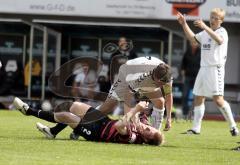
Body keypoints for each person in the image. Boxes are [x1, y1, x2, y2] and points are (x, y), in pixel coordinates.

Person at [177, 8, 239, 135]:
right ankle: (195, 128)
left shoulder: (223, 31)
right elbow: (193, 39)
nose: (213, 20)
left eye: (216, 18)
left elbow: (219, 40)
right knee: (198, 97)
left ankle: (233, 127)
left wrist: (205, 26)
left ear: (221, 21)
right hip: (203, 69)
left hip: (215, 69)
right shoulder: (205, 33)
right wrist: (184, 24)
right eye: (211, 17)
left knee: (218, 100)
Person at [13, 97, 164, 145]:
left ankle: (29, 111)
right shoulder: (144, 124)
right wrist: (139, 109)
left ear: (145, 139)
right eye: (152, 128)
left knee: (66, 116)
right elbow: (139, 105)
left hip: (96, 132)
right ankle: (53, 131)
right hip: (103, 120)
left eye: (149, 132)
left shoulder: (134, 138)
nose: (148, 128)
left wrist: (135, 111)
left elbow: (119, 126)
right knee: (73, 106)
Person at [100, 56, 173, 131]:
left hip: (147, 77)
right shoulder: (138, 77)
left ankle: (155, 131)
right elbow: (127, 97)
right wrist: (127, 122)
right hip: (127, 74)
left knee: (160, 101)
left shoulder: (167, 76)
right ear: (156, 77)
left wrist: (169, 119)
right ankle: (89, 117)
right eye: (160, 84)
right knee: (109, 106)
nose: (161, 87)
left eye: (163, 84)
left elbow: (168, 96)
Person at [180, 43, 200, 119]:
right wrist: (182, 69)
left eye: (195, 43)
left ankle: (195, 114)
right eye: (193, 43)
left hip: (197, 77)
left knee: (197, 96)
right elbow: (183, 62)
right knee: (185, 95)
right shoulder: (188, 51)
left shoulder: (201, 52)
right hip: (188, 76)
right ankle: (185, 113)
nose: (194, 45)